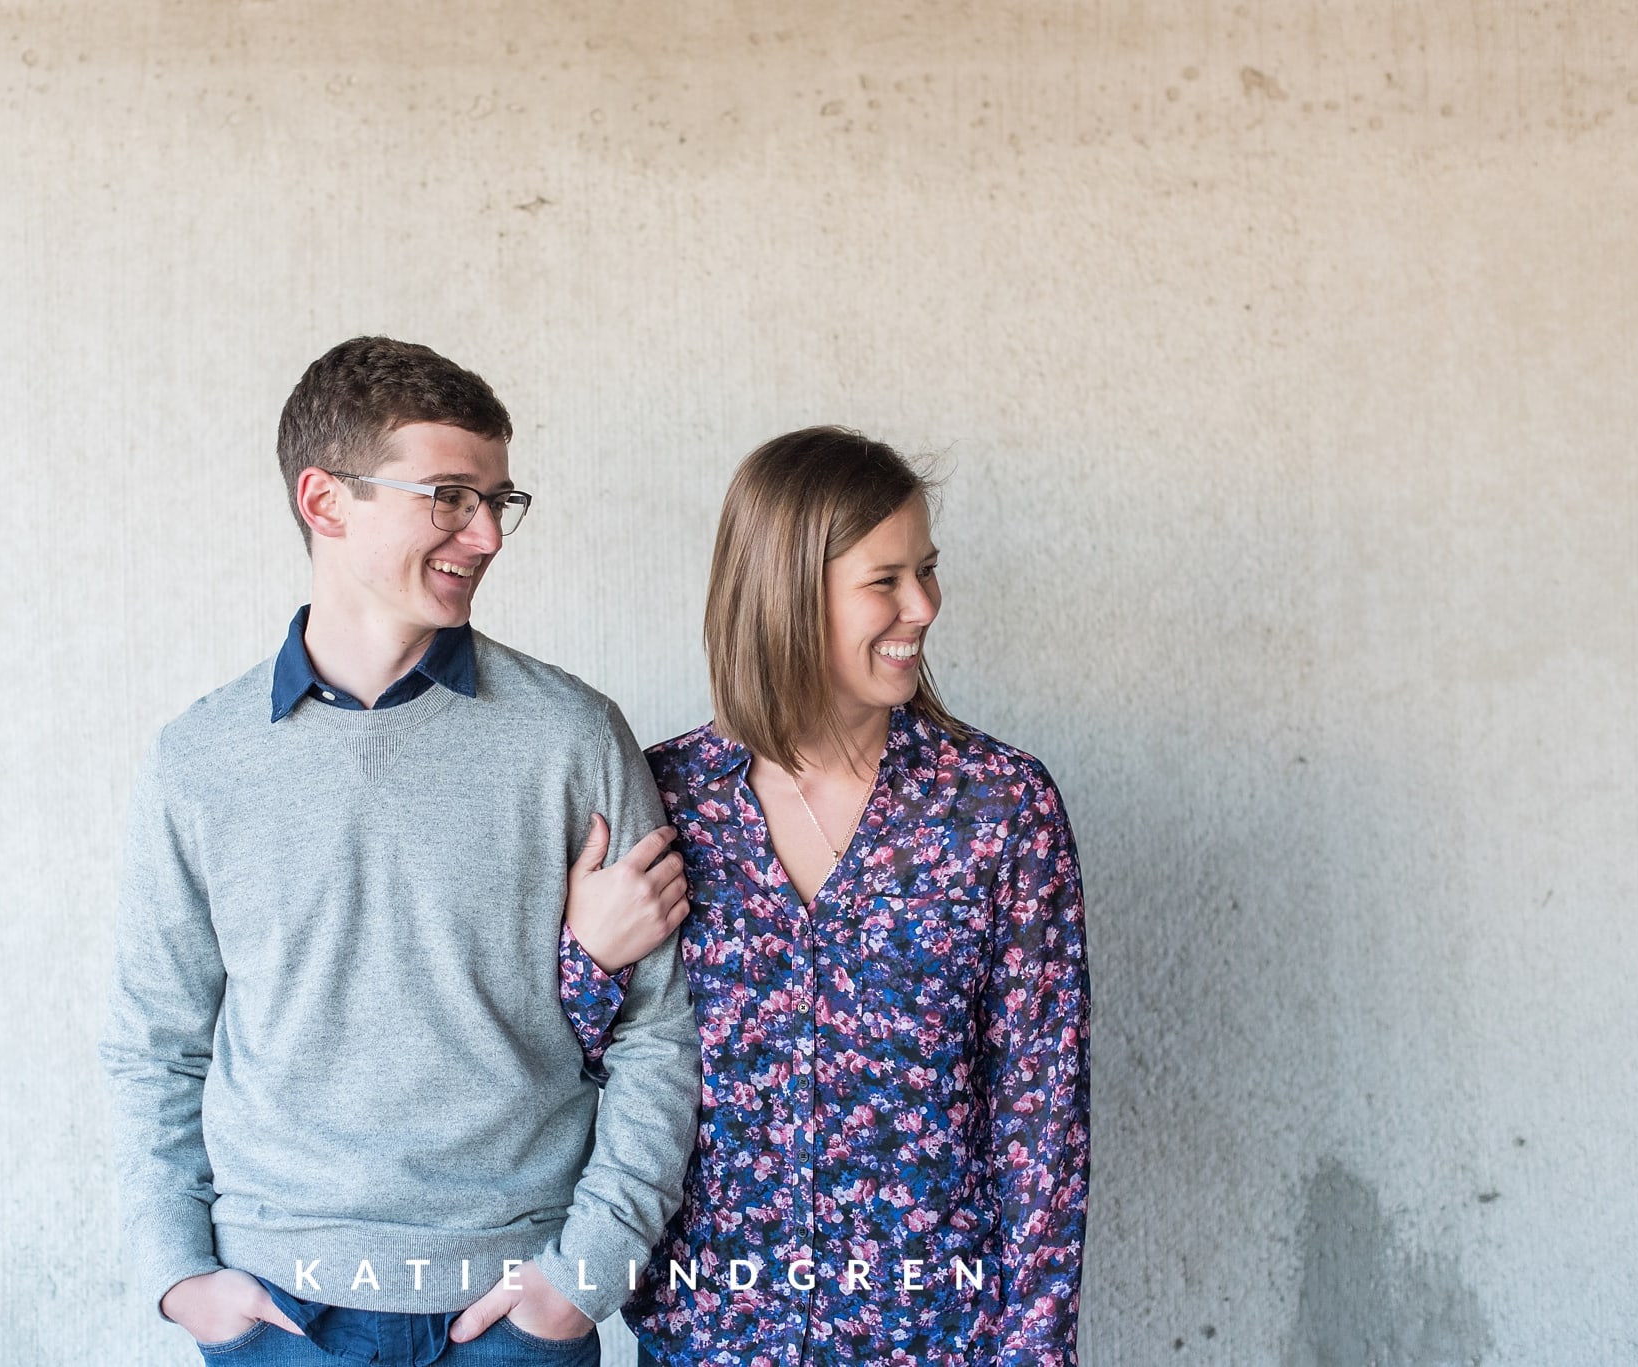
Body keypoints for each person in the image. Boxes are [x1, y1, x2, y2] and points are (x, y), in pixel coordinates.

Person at [99, 336, 701, 1366]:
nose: (486, 535)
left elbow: (658, 1028)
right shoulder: (200, 757)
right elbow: (155, 1039)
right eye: (449, 497)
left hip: (514, 1307)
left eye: (497, 500)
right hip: (279, 1313)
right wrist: (178, 1274)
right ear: (325, 501)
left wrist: (583, 1274)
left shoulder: (569, 733)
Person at [562, 427, 1090, 1367]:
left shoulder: (1001, 808)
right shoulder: (662, 801)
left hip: (935, 1340)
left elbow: (1042, 1116)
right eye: (884, 580)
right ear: (787, 594)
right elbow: (563, 1075)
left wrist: (1035, 1352)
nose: (923, 606)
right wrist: (588, 960)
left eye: (925, 570)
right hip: (710, 1338)